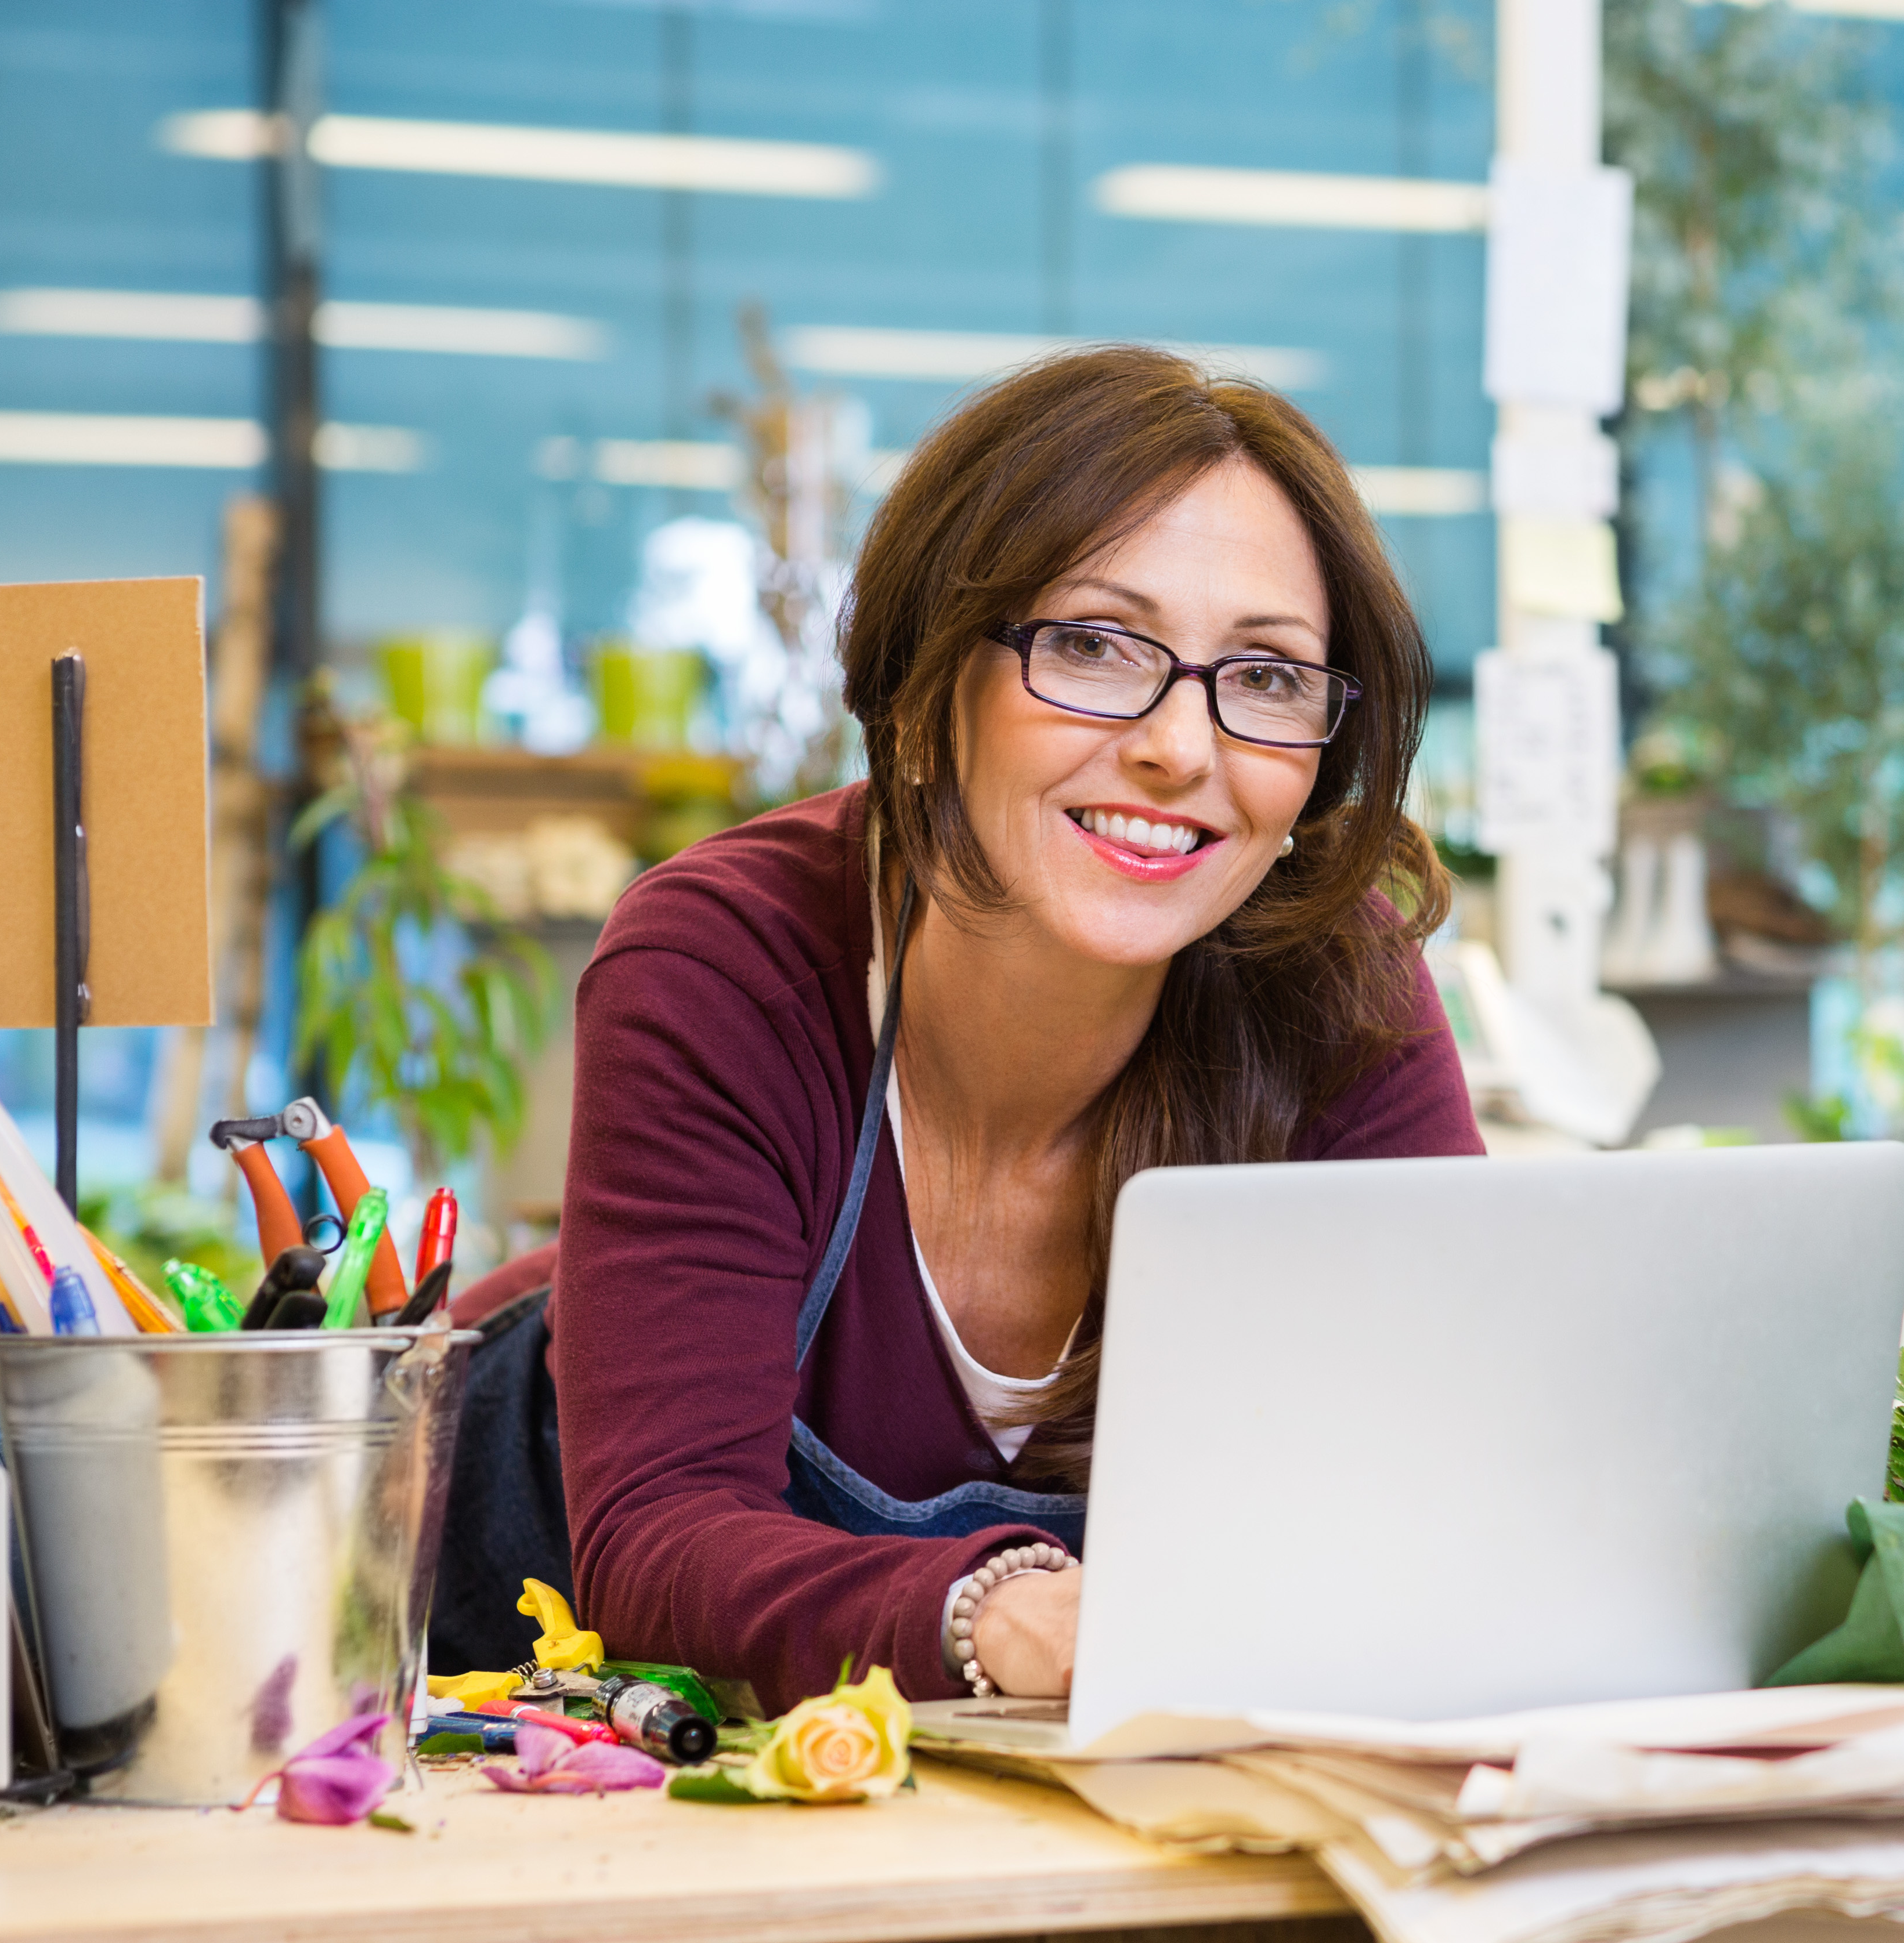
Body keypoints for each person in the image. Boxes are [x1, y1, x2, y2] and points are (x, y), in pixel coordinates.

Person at [551, 347, 1481, 1712]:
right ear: (928, 701)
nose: (1181, 745)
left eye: (1269, 676)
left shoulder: (1336, 997)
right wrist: (1005, 1615)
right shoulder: (730, 966)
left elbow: (1451, 1476)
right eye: (1096, 646)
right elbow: (657, 1538)